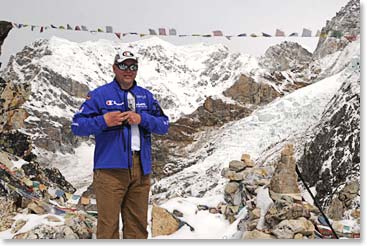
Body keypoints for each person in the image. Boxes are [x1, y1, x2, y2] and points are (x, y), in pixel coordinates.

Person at [71, 51, 169, 239]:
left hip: (141, 169)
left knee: (138, 228)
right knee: (108, 228)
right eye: (124, 66)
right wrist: (104, 120)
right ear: (114, 68)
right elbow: (77, 126)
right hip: (110, 171)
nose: (128, 70)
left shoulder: (146, 96)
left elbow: (164, 125)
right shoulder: (99, 95)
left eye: (133, 66)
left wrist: (142, 118)